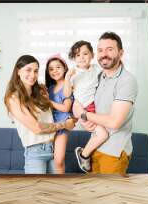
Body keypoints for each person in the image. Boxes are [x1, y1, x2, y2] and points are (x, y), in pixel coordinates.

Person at [72, 32, 138, 176]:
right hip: (95, 147)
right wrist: (82, 117)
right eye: (101, 50)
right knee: (95, 196)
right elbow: (83, 98)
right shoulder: (98, 76)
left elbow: (114, 122)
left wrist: (84, 114)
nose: (104, 54)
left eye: (109, 49)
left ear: (120, 53)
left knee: (110, 196)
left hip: (114, 151)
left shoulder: (126, 81)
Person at [4, 55, 75, 174]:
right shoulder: (13, 99)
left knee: (57, 191)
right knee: (36, 192)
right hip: (35, 154)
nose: (32, 75)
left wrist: (73, 117)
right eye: (28, 70)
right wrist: (64, 124)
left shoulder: (42, 91)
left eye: (36, 71)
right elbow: (37, 128)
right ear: (18, 71)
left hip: (53, 149)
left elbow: (60, 108)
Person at [63, 40, 109, 172]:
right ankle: (84, 155)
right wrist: (67, 78)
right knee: (103, 134)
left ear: (92, 55)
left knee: (99, 133)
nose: (81, 57)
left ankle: (87, 154)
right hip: (83, 108)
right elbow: (67, 94)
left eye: (85, 54)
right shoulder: (73, 73)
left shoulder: (96, 68)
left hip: (94, 107)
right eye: (77, 55)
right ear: (74, 58)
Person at [45, 54, 74, 174]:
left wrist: (49, 102)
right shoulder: (50, 88)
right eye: (51, 69)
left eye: (58, 67)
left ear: (65, 68)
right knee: (50, 159)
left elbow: (66, 107)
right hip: (50, 125)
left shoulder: (67, 86)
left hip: (62, 125)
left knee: (59, 160)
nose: (54, 71)